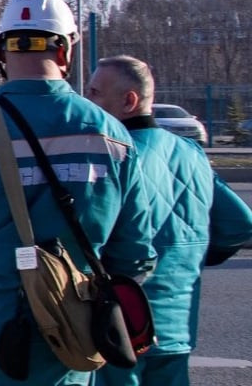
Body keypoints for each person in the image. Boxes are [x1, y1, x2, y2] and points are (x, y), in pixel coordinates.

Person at [0, 0, 156, 386]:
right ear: (66, 52)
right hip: (68, 343)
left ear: (2, 53)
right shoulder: (112, 136)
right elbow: (135, 252)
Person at [86, 55, 252, 386]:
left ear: (128, 100)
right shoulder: (192, 154)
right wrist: (190, 256)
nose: (87, 101)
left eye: (94, 92)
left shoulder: (113, 156)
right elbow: (240, 225)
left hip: (120, 326)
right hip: (177, 330)